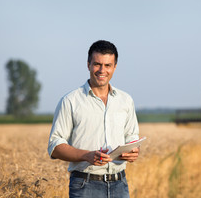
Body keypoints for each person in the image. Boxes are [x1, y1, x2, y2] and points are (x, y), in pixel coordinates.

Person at [48, 40, 140, 198]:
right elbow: (55, 146)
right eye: (97, 64)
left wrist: (133, 151)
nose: (102, 70)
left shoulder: (126, 100)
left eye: (108, 65)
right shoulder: (70, 101)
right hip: (85, 186)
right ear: (88, 64)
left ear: (115, 67)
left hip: (120, 184)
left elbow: (132, 136)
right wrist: (86, 155)